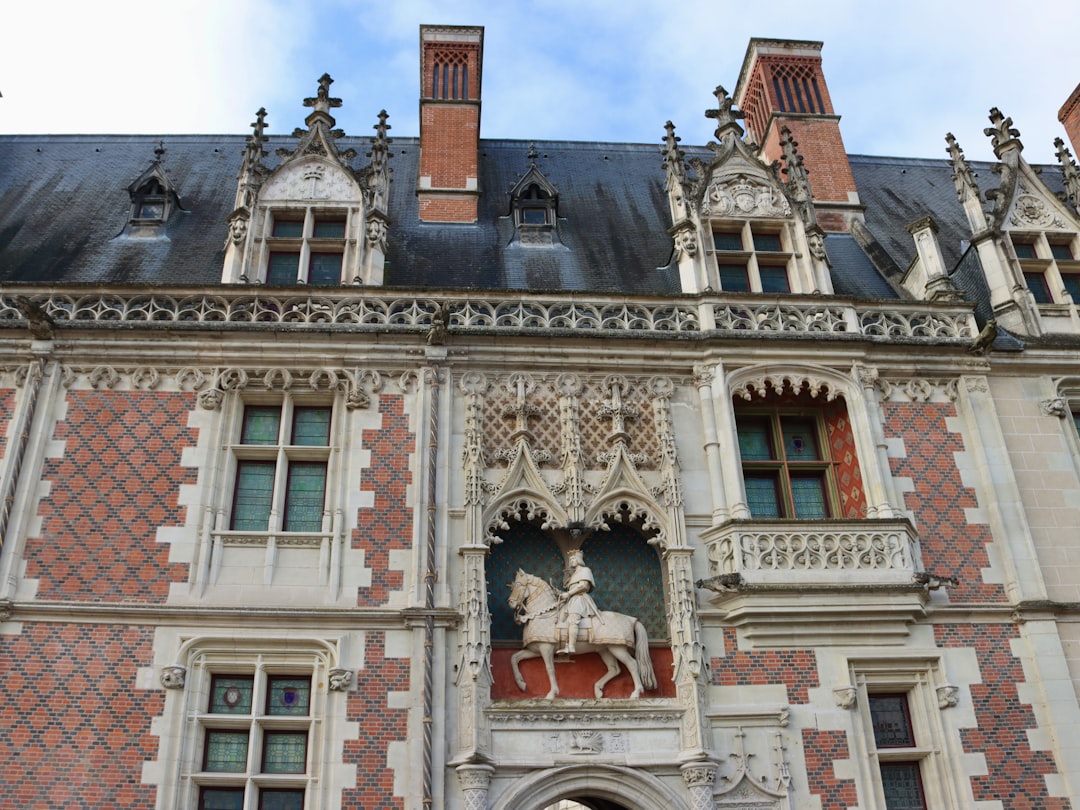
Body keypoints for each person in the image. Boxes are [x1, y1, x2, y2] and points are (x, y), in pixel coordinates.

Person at [557, 549, 601, 655]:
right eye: (570, 559)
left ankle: (571, 646)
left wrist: (568, 594)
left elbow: (584, 586)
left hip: (580, 599)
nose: (571, 561)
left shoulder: (585, 570)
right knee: (560, 618)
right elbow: (570, 588)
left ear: (578, 560)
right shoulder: (574, 574)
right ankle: (563, 644)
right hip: (571, 600)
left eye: (573, 559)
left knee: (573, 619)